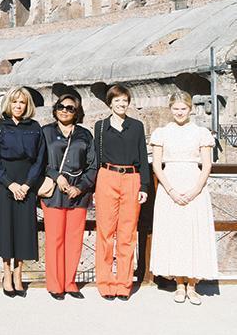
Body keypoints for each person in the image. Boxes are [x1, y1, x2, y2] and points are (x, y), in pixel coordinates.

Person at [150, 92, 218, 305]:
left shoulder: (201, 132)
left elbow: (206, 165)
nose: (180, 112)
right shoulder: (162, 133)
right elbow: (156, 164)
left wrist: (195, 189)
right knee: (175, 233)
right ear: (170, 109)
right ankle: (179, 283)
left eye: (183, 109)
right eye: (176, 109)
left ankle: (193, 284)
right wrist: (169, 189)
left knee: (193, 232)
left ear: (191, 109)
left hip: (193, 183)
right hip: (170, 184)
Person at [0, 86, 45, 298]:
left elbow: (40, 158)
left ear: (27, 105)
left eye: (22, 102)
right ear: (8, 104)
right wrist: (10, 184)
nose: (18, 106)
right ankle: (6, 273)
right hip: (5, 182)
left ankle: (19, 272)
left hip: (27, 181)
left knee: (23, 228)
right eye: (14, 102)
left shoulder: (35, 127)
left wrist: (28, 184)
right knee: (5, 228)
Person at [93, 84, 150, 301]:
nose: (121, 103)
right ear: (110, 103)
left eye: (124, 100)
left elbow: (143, 157)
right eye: (117, 100)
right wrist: (94, 189)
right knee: (105, 233)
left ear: (128, 102)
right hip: (107, 176)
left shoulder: (136, 126)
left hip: (131, 178)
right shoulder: (100, 127)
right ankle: (105, 282)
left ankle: (124, 283)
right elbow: (96, 159)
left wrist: (144, 186)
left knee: (127, 233)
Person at [40, 94, 97, 300]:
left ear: (77, 112)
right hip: (54, 192)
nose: (65, 110)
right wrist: (56, 177)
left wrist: (80, 187)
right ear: (55, 109)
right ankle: (55, 284)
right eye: (61, 107)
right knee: (55, 238)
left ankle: (70, 282)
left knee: (74, 239)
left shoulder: (84, 135)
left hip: (78, 194)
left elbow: (92, 165)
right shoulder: (46, 132)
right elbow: (39, 162)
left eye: (70, 108)